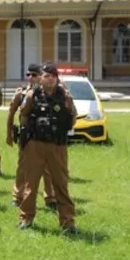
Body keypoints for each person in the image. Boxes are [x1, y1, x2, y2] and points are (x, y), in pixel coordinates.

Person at [18, 62, 78, 233]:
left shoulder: (65, 97)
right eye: (46, 76)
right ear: (41, 79)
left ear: (57, 79)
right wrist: (26, 139)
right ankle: (26, 218)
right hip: (35, 145)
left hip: (57, 146)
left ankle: (67, 222)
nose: (49, 79)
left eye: (52, 76)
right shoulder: (32, 95)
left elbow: (72, 118)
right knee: (31, 183)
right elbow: (24, 116)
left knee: (60, 183)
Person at [7, 63, 56, 208]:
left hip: (44, 136)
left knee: (47, 168)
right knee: (22, 167)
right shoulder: (21, 93)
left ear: (41, 76)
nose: (30, 78)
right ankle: (17, 197)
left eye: (34, 75)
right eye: (28, 75)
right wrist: (9, 134)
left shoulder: (48, 94)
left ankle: (50, 197)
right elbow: (11, 113)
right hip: (26, 136)